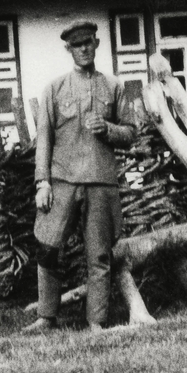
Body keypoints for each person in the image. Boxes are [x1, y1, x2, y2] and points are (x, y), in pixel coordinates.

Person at [28, 21, 135, 333]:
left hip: (100, 182)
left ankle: (96, 322)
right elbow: (44, 140)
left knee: (99, 255)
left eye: (88, 42)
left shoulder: (113, 87)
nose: (84, 49)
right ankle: (46, 316)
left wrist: (109, 129)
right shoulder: (54, 88)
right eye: (77, 45)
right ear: (68, 49)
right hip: (62, 181)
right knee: (47, 246)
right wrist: (42, 182)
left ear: (96, 44)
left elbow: (131, 133)